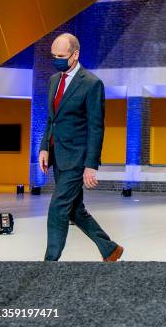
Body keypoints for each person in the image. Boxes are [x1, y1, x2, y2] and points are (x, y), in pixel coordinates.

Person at [39, 33, 124, 261]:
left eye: (61, 56)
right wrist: (44, 147)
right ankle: (110, 249)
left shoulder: (91, 84)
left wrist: (90, 165)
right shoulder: (54, 81)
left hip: (77, 159)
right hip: (58, 156)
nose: (56, 59)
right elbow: (51, 119)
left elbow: (96, 128)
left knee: (58, 207)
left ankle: (49, 263)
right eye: (53, 56)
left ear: (75, 55)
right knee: (75, 210)